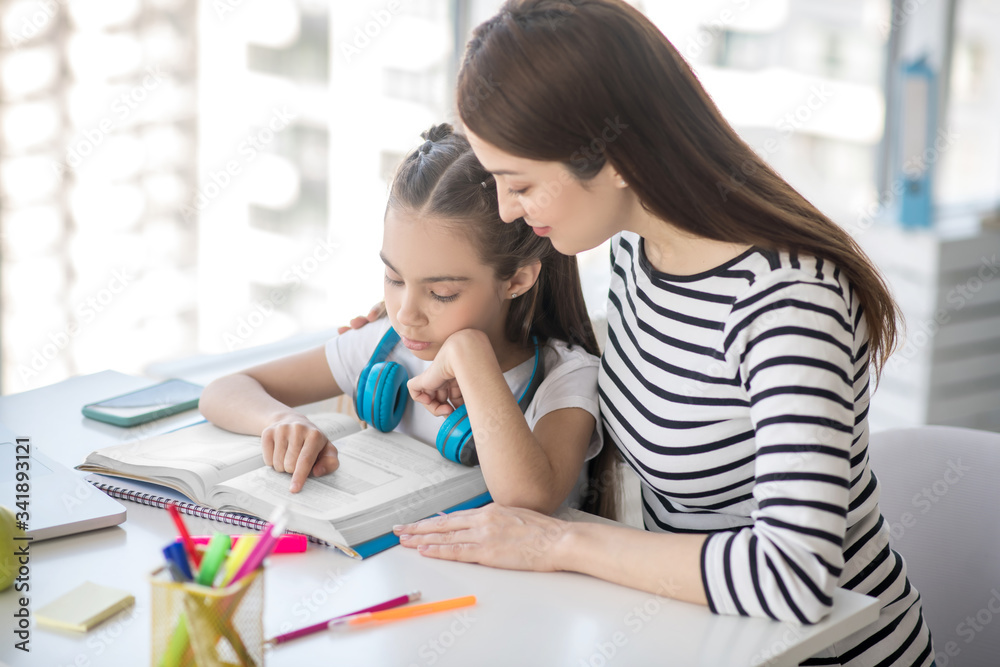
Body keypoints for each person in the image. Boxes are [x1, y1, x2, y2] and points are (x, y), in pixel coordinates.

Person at [386, 1, 934, 665]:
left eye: (520, 183)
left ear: (612, 157)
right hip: (710, 639)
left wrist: (556, 544)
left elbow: (793, 573)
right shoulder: (637, 254)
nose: (507, 209)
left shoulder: (786, 300)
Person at [199, 123, 617, 518]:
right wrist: (280, 420)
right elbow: (224, 390)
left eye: (442, 293)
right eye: (394, 278)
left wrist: (469, 354)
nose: (404, 313)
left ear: (518, 279)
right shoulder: (387, 344)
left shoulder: (565, 379)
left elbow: (529, 500)